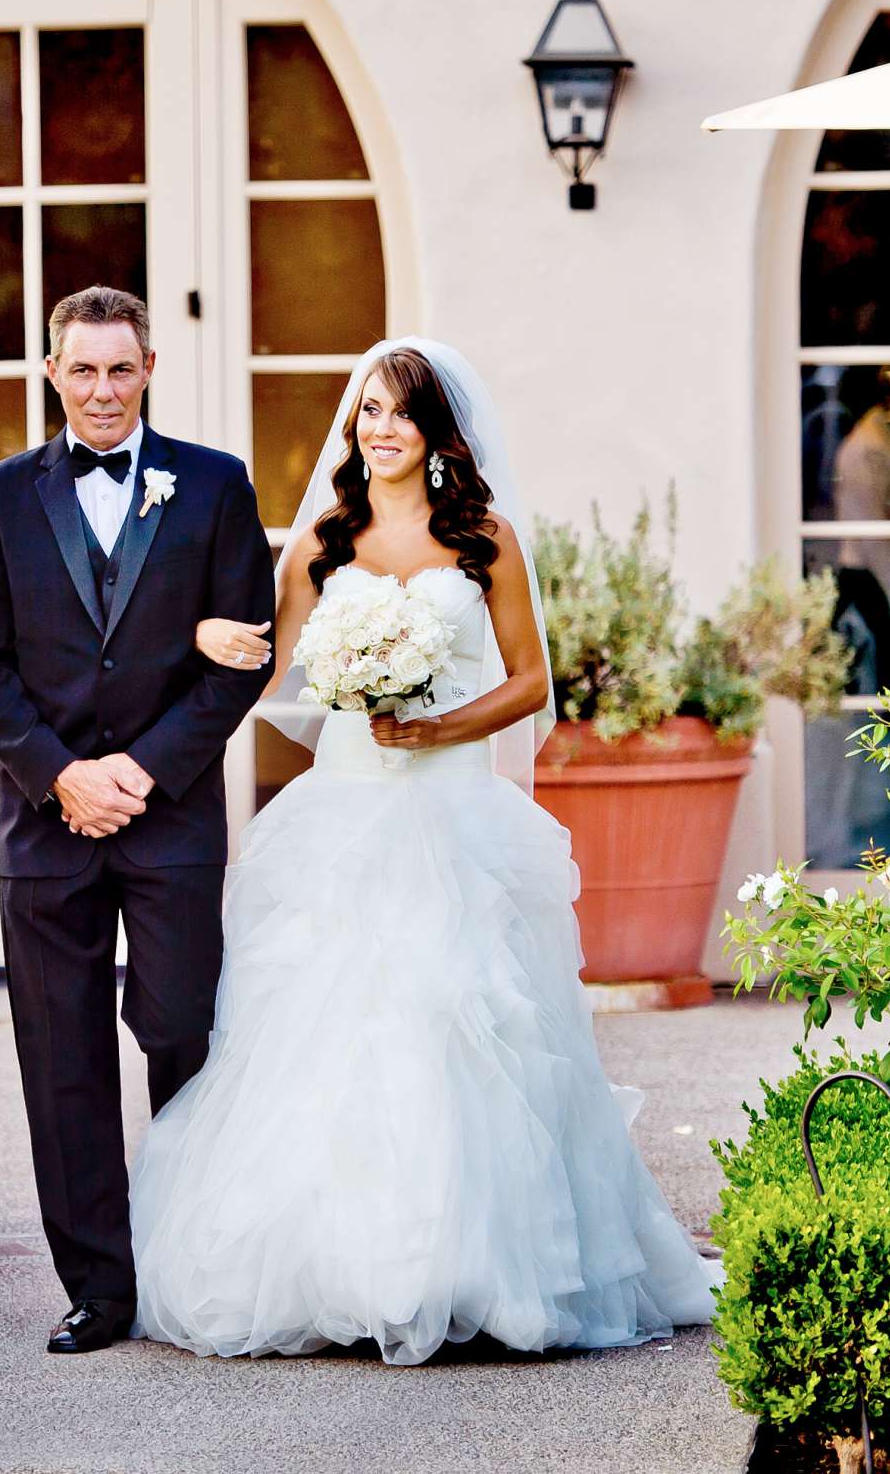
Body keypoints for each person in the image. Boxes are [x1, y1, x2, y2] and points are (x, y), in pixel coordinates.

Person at [128, 337, 722, 1365]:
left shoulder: (484, 537)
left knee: (463, 1021)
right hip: (346, 811)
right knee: (331, 1032)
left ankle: (481, 1273)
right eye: (367, 411)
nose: (382, 428)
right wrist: (206, 643)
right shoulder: (323, 537)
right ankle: (344, 1272)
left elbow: (533, 683)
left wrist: (444, 726)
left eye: (402, 411)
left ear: (436, 430)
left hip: (454, 811)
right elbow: (270, 663)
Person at [0, 285, 275, 1356]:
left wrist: (139, 768)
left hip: (169, 816)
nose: (100, 390)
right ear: (52, 373)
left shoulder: (216, 487)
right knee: (64, 1057)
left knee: (181, 1027)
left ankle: (192, 1259)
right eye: (81, 370)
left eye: (118, 369)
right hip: (46, 828)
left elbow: (243, 655)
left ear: (148, 370)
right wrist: (60, 778)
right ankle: (101, 1288)